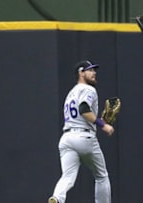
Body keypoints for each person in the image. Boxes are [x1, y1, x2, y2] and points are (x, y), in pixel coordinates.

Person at [48, 60, 115, 203]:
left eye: (94, 70)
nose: (94, 73)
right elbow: (84, 109)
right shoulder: (88, 89)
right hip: (84, 137)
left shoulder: (71, 93)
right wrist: (102, 124)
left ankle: (57, 199)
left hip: (66, 138)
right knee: (101, 176)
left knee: (67, 177)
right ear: (81, 73)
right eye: (90, 70)